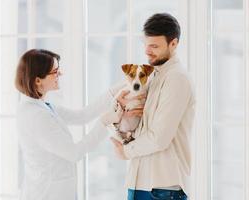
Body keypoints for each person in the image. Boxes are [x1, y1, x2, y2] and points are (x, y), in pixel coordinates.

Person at [15, 49, 130, 200]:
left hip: (55, 190)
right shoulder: (37, 116)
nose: (60, 74)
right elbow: (74, 153)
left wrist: (122, 86)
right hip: (47, 194)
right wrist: (105, 121)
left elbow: (82, 116)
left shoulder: (42, 105)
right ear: (38, 80)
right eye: (55, 71)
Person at [111, 13, 196, 200]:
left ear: (173, 44)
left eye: (155, 46)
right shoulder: (152, 77)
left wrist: (125, 151)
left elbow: (159, 138)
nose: (147, 51)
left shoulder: (176, 79)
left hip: (162, 188)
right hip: (143, 183)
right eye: (146, 45)